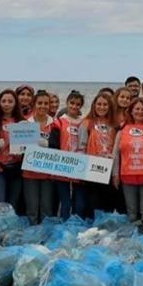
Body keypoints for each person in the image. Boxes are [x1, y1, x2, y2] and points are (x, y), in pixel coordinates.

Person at [79, 93, 117, 218]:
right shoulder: (86, 123)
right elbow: (81, 147)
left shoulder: (114, 124)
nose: (102, 107)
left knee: (108, 202)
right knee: (93, 202)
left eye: (105, 104)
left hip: (109, 169)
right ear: (94, 105)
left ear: (110, 106)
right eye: (99, 104)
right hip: (92, 169)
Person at [49, 90, 86, 219]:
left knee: (80, 203)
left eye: (78, 104)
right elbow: (52, 146)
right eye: (72, 103)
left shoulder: (84, 123)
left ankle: (76, 227)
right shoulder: (58, 122)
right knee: (65, 203)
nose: (74, 106)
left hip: (79, 168)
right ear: (67, 103)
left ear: (81, 106)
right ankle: (65, 227)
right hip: (62, 167)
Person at [21, 91, 55, 224]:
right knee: (32, 209)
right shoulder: (25, 124)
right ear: (34, 104)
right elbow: (19, 149)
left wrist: (48, 145)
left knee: (47, 208)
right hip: (30, 174)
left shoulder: (55, 124)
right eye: (40, 103)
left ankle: (45, 238)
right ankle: (32, 239)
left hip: (48, 174)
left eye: (46, 103)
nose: (43, 106)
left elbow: (59, 146)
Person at [0, 89, 25, 206]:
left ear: (15, 103)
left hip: (16, 169)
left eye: (10, 101)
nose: (7, 104)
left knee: (12, 205)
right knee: (0, 204)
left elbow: (30, 148)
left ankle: (10, 225)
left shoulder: (22, 122)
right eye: (3, 101)